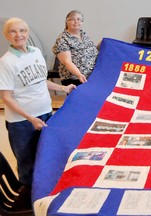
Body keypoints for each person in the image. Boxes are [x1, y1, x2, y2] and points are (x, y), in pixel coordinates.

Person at [0, 17, 76, 197]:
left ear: (27, 33)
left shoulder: (35, 52)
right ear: (7, 35)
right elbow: (7, 98)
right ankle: (28, 198)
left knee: (45, 154)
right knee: (27, 162)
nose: (19, 35)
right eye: (13, 31)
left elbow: (40, 82)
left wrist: (63, 88)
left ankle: (45, 194)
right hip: (22, 122)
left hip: (45, 114)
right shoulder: (6, 62)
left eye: (22, 30)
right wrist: (29, 118)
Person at [52, 10, 99, 86]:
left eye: (79, 19)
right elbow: (67, 61)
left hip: (90, 77)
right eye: (72, 19)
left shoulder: (84, 35)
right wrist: (79, 75)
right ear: (66, 22)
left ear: (82, 22)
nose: (76, 21)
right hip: (75, 79)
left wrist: (103, 43)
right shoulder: (63, 39)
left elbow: (91, 51)